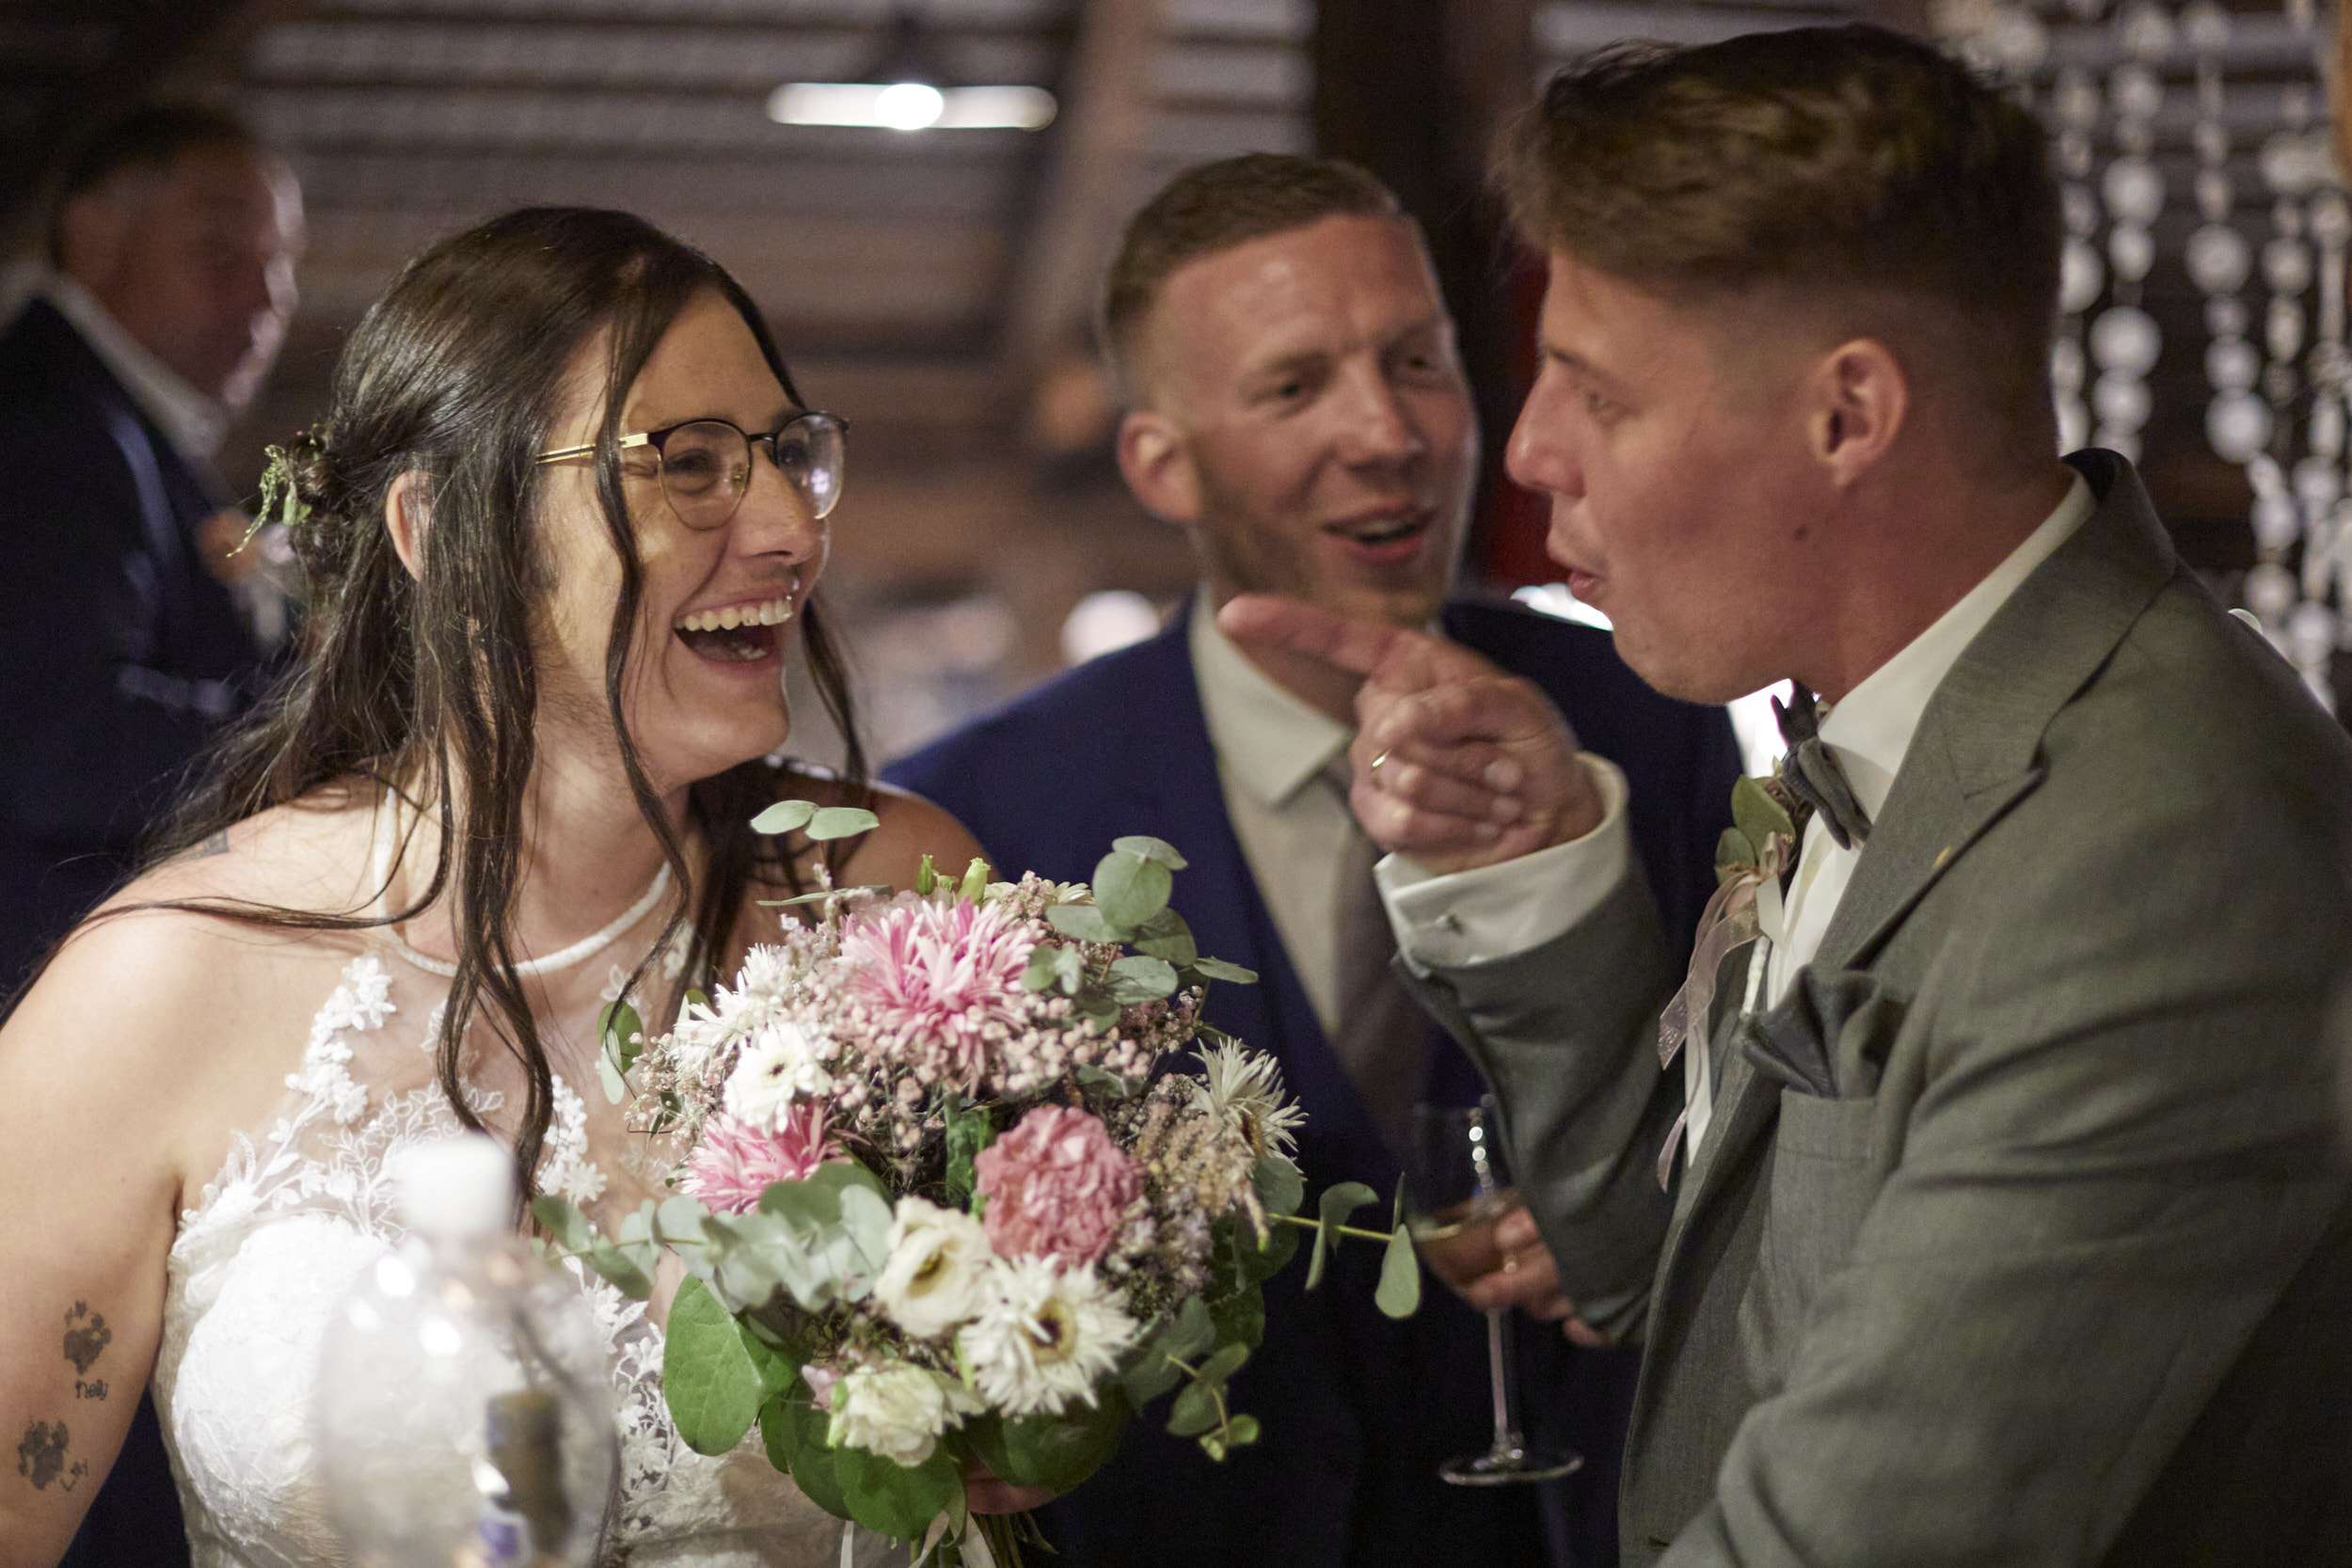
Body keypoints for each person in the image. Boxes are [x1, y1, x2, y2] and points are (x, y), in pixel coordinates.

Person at [1228, 25, 2352, 1567]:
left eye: (1598, 391)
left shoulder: (2163, 854)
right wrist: (1543, 865)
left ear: (1848, 417)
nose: (1531, 449)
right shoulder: (1911, 723)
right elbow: (1652, 1271)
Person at [0, 207, 1005, 1568]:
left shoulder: (902, 914)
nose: (787, 530)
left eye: (786, 454)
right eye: (688, 463)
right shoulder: (162, 984)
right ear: (437, 529)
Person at [886, 154, 1740, 1568]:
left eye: (1417, 362)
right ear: (1160, 461)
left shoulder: (1647, 716)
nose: (1387, 431)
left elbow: (1748, 1124)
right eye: (1295, 387)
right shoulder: (982, 809)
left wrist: (1640, 1200)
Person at [0, 103, 304, 1002]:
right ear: (95, 236)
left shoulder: (113, 431)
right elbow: (63, 743)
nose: (266, 299)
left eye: (282, 264)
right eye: (220, 251)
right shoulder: (50, 429)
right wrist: (314, 731)